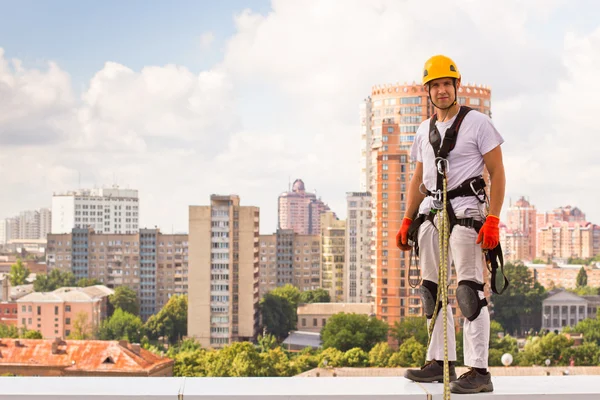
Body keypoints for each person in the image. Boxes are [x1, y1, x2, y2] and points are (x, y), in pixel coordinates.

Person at [396, 55, 506, 394]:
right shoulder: (423, 129)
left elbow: (498, 172)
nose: (442, 90)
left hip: (467, 212)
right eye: (435, 85)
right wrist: (406, 218)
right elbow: (418, 177)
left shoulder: (477, 123)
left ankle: (479, 371)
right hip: (431, 214)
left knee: (469, 292)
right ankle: (440, 361)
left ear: (456, 86)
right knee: (431, 290)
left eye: (447, 84)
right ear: (427, 91)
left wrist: (493, 219)